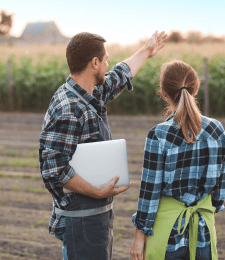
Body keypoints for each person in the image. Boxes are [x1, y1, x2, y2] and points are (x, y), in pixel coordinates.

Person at [39, 30, 168, 260]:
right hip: (82, 222)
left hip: (94, 219)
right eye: (106, 59)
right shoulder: (69, 108)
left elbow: (120, 75)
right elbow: (54, 169)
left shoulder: (89, 93)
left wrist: (147, 51)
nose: (109, 64)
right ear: (94, 62)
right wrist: (97, 191)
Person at [130, 59, 225, 260]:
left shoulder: (159, 135)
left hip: (166, 236)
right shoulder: (217, 131)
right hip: (203, 233)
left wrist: (139, 238)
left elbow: (149, 193)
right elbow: (219, 195)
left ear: (163, 92)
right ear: (196, 88)